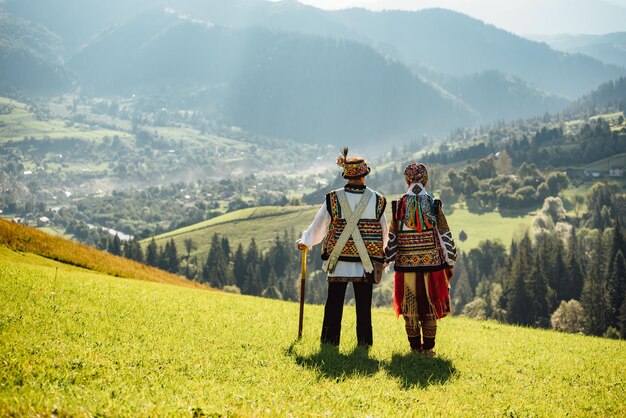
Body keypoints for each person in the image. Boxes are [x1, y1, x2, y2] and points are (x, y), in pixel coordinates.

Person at [297, 147, 388, 347]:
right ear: (364, 175)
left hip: (337, 260)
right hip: (367, 264)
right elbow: (384, 232)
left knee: (333, 303)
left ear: (346, 175)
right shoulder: (378, 200)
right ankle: (364, 345)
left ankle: (329, 343)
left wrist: (306, 241)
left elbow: (320, 224)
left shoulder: (333, 198)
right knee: (364, 306)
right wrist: (384, 260)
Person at [384, 162, 456, 356]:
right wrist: (450, 259)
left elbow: (392, 239)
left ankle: (415, 349)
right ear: (426, 180)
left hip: (406, 266)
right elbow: (445, 235)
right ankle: (428, 349)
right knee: (431, 305)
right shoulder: (434, 204)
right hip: (432, 267)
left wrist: (386, 260)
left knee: (410, 308)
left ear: (406, 180)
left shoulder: (399, 205)